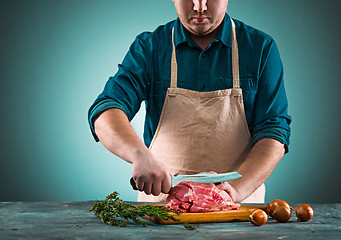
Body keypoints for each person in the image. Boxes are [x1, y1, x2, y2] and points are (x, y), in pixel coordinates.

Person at [88, 0, 291, 203]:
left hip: (239, 208)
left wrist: (234, 192)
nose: (199, 6)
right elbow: (107, 109)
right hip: (162, 210)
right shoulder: (149, 47)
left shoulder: (261, 48)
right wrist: (139, 155)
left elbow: (273, 133)